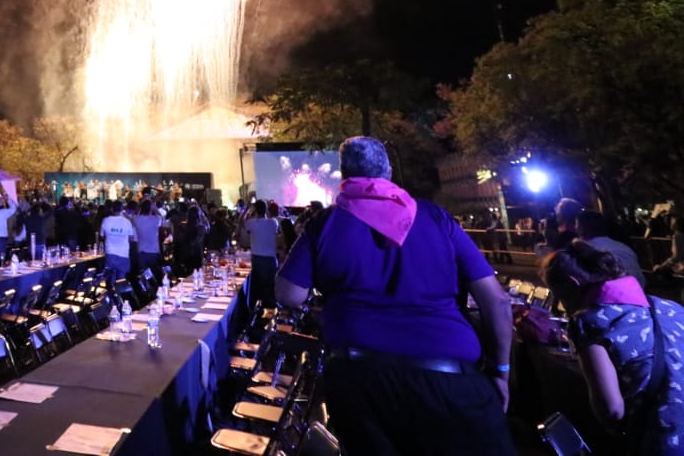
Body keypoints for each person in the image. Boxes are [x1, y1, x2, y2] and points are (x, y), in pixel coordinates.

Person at [275, 136, 516, 455]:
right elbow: (496, 301)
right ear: (388, 171)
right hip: (448, 375)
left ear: (344, 173)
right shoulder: (436, 218)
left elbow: (289, 294)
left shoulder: (324, 224)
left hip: (359, 379)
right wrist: (500, 370)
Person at [542, 242, 684, 453]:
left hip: (665, 440)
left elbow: (611, 410)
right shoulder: (669, 306)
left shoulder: (588, 322)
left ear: (572, 284)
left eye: (558, 296)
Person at [576, 209, 646, 289]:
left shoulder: (585, 252)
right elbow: (641, 281)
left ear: (580, 229)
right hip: (640, 296)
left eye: (576, 225)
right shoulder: (624, 248)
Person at [246, 201, 283, 308]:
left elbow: (241, 223)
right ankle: (271, 314)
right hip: (271, 259)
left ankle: (257, 314)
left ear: (254, 210)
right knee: (270, 289)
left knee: (258, 289)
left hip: (257, 259)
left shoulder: (251, 223)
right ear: (266, 209)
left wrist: (247, 209)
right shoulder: (273, 222)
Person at [100, 202, 137, 279]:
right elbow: (131, 238)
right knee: (121, 280)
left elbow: (102, 236)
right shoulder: (127, 222)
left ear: (111, 209)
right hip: (123, 253)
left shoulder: (105, 220)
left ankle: (112, 289)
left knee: (110, 279)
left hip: (110, 253)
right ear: (122, 209)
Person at [132, 199, 165, 275]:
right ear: (151, 209)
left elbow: (133, 215)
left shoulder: (137, 219)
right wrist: (155, 208)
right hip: (154, 251)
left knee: (145, 276)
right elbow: (162, 217)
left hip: (141, 252)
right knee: (155, 275)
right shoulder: (155, 219)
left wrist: (139, 207)